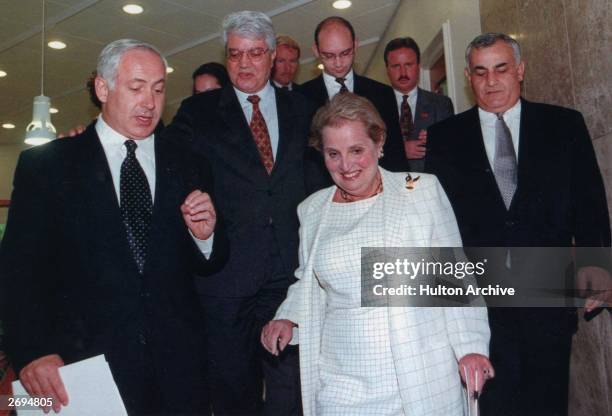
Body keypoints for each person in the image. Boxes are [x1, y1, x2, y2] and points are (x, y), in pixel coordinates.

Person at [0, 39, 227, 414]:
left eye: (158, 89)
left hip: (177, 376)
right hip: (79, 374)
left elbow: (210, 260)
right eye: (136, 88)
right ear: (102, 88)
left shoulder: (189, 163)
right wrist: (33, 351)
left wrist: (206, 236)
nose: (150, 102)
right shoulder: (48, 167)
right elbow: (19, 271)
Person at [262, 92, 493, 415]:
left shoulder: (421, 190)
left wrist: (471, 349)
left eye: (356, 150)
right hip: (341, 377)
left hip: (414, 372)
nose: (346, 165)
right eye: (333, 154)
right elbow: (309, 280)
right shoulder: (313, 209)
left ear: (379, 141)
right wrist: (287, 316)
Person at [426, 33, 611, 415]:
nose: (491, 81)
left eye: (501, 69)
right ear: (468, 76)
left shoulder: (564, 126)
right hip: (481, 312)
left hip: (549, 303)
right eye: (480, 72)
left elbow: (590, 205)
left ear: (520, 70)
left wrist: (599, 268)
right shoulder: (446, 139)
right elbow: (436, 222)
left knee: (548, 404)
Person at [163, 11, 324, 415]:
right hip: (225, 279)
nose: (245, 64)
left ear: (272, 56)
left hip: (288, 276)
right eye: (235, 55)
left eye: (254, 53)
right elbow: (166, 167)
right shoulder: (197, 113)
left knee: (291, 389)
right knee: (233, 391)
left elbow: (321, 182)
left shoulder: (303, 109)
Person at [299, 16, 407, 172]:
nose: (338, 63)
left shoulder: (382, 94)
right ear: (316, 51)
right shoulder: (300, 98)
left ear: (356, 45)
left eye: (345, 53)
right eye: (328, 56)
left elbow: (395, 154)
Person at [384, 37, 454, 172]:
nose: (403, 73)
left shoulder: (441, 104)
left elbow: (454, 149)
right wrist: (399, 150)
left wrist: (436, 140)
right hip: (392, 186)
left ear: (418, 66)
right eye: (396, 66)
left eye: (408, 65)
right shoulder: (376, 107)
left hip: (432, 185)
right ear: (387, 69)